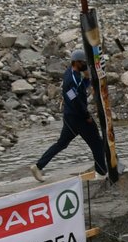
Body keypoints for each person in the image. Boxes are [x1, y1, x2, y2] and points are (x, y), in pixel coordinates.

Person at [31, 53, 107, 182]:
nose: (85, 65)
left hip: (70, 117)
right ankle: (101, 174)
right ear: (76, 62)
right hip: (79, 118)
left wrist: (87, 79)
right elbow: (75, 100)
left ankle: (38, 166)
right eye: (83, 62)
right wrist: (86, 115)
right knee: (97, 144)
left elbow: (80, 90)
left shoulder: (73, 74)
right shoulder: (71, 80)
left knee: (62, 144)